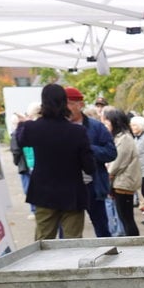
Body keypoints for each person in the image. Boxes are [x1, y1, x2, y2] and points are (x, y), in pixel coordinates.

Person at [21, 84, 95, 240]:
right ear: (64, 102)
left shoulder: (32, 128)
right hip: (72, 193)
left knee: (43, 242)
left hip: (43, 192)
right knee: (72, 243)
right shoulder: (78, 132)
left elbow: (20, 140)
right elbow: (89, 167)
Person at [64, 86, 116, 237]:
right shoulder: (60, 128)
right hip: (68, 187)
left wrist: (88, 148)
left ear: (80, 104)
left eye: (69, 103)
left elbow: (111, 153)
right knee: (68, 232)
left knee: (101, 227)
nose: (65, 108)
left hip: (93, 185)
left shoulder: (96, 127)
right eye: (63, 103)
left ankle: (108, 255)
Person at [102, 107, 141, 237]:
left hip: (124, 183)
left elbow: (117, 162)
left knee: (127, 218)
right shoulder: (121, 137)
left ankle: (134, 244)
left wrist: (109, 172)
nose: (105, 126)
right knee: (125, 218)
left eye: (107, 123)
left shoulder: (124, 138)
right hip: (121, 182)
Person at [10, 102, 40, 217]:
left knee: (29, 188)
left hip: (28, 165)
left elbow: (16, 150)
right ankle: (34, 209)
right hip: (30, 164)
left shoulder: (21, 132)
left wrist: (16, 161)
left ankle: (34, 210)